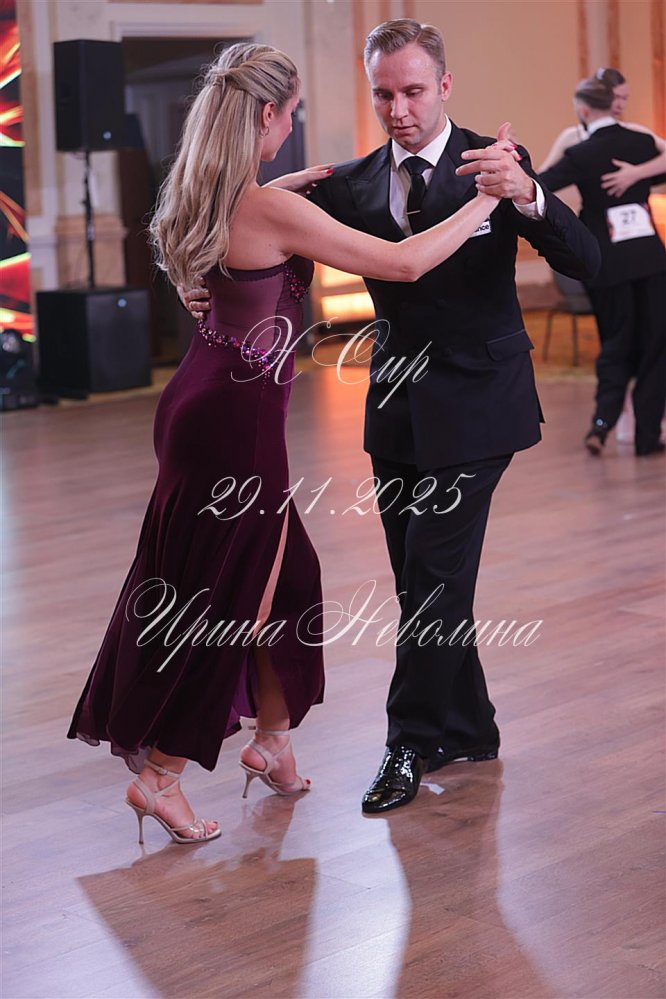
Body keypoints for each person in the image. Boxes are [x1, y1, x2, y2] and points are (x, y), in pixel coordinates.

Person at [67, 39, 521, 844]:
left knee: (287, 583)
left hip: (200, 402)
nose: (293, 127)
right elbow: (403, 263)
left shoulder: (214, 194)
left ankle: (272, 741)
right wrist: (486, 199)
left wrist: (280, 197)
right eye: (293, 114)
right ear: (269, 115)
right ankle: (161, 774)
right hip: (237, 423)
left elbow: (223, 263)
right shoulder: (266, 206)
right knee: (232, 596)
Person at [182, 20, 601, 815]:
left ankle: (406, 741)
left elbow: (589, 260)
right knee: (422, 582)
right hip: (397, 403)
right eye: (383, 94)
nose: (399, 109)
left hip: (482, 402)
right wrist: (198, 285)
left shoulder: (494, 164)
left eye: (412, 91)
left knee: (435, 576)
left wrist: (529, 193)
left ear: (444, 86)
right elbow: (247, 232)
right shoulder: (351, 182)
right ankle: (468, 727)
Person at [540, 77, 666, 456]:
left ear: (582, 109)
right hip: (651, 259)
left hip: (606, 264)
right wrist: (638, 174)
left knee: (615, 343)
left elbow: (540, 185)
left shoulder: (581, 153)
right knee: (657, 345)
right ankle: (647, 436)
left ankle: (601, 424)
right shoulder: (641, 142)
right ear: (613, 103)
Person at [538, 67, 666, 195]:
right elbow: (544, 176)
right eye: (616, 97)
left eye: (625, 98)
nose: (621, 105)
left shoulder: (636, 131)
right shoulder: (571, 136)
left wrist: (637, 172)